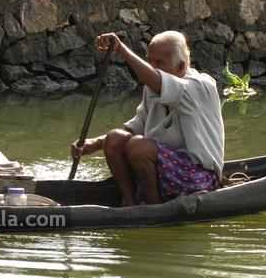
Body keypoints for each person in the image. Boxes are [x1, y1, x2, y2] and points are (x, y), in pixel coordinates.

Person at [71, 31, 224, 205]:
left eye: (158, 62)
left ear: (180, 67)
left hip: (197, 176)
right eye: (150, 60)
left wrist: (121, 50)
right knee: (114, 138)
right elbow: (136, 126)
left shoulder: (200, 85)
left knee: (138, 146)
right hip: (163, 171)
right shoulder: (153, 89)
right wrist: (95, 143)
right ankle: (131, 205)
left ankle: (153, 208)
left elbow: (159, 83)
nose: (151, 66)